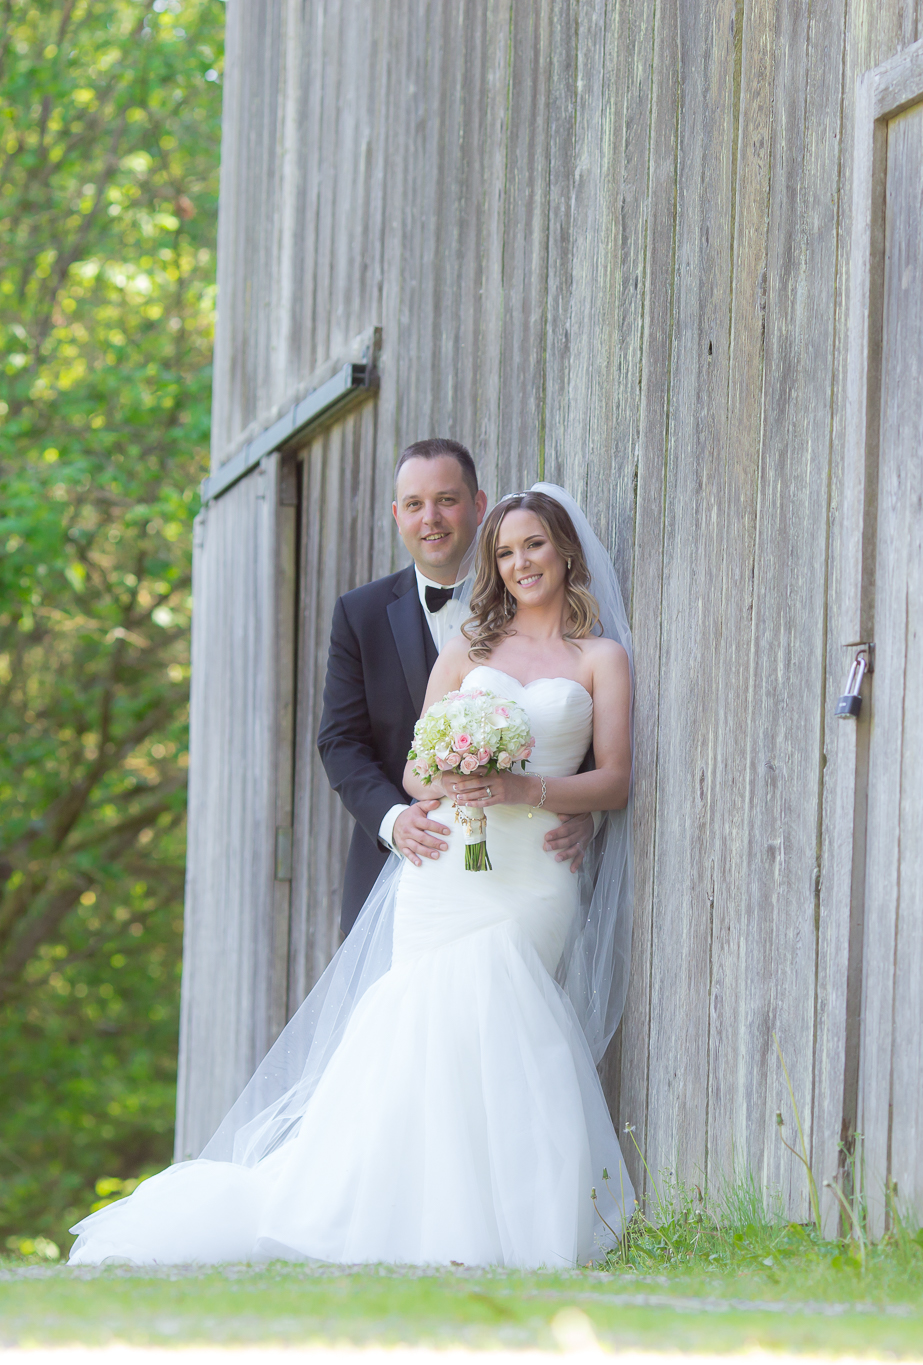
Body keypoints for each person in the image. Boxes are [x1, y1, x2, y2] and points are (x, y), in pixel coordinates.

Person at [67, 484, 634, 1267]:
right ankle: (410, 1220)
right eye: (504, 552)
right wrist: (460, 777)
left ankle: (517, 1222)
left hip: (535, 873)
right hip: (449, 872)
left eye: (533, 545)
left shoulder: (600, 658)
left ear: (564, 549)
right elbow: (414, 768)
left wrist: (525, 788)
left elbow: (613, 781)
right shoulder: (470, 652)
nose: (520, 563)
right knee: (419, 1027)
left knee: (507, 1026)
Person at [316, 439, 598, 938]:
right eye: (414, 505)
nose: (432, 518)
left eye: (447, 500)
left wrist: (586, 810)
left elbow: (575, 715)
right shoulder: (359, 614)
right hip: (399, 862)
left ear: (479, 506)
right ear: (397, 515)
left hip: (530, 864)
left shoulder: (537, 595)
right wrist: (394, 821)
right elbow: (340, 742)